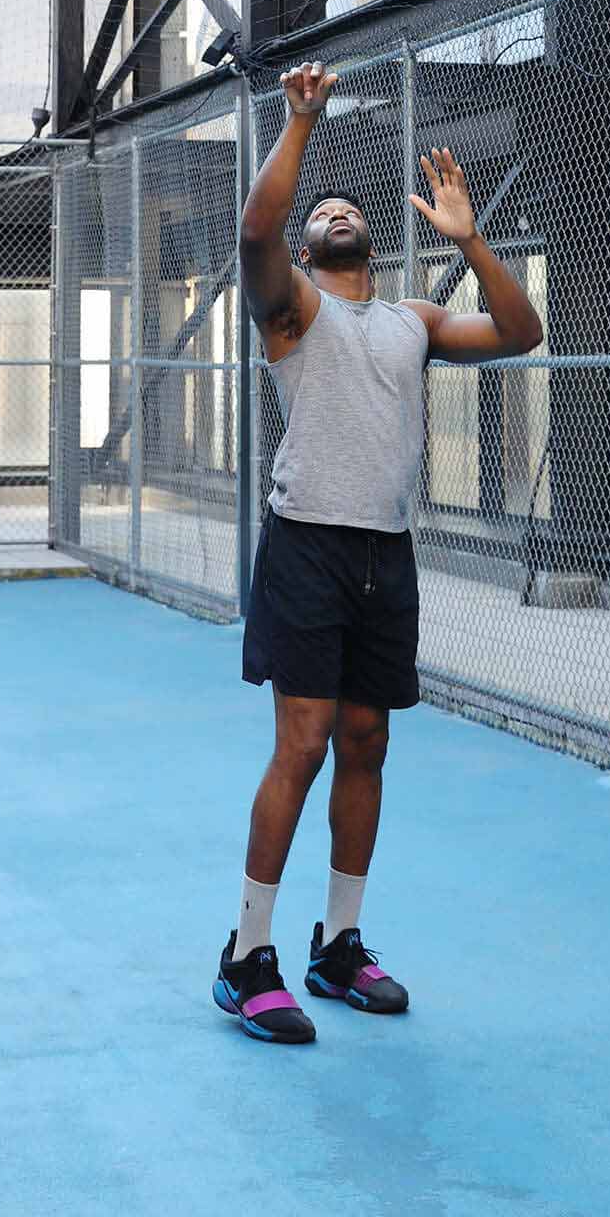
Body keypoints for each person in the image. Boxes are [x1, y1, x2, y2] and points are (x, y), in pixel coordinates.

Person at [213, 60, 545, 1044]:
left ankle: (339, 946)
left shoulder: (414, 320)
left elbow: (522, 333)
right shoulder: (291, 312)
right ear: (309, 249)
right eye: (322, 212)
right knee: (303, 743)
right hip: (306, 548)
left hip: (384, 558)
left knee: (367, 743)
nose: (335, 213)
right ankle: (245, 957)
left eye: (351, 208)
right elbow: (252, 230)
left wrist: (472, 239)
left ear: (375, 239)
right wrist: (301, 127)